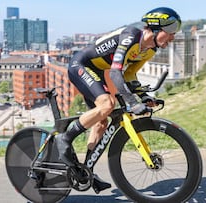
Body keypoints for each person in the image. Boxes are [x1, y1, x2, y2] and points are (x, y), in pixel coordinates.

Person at [56, 7, 181, 192]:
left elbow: (130, 74)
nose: (172, 38)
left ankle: (84, 170)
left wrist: (144, 97)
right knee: (108, 104)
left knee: (101, 123)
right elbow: (116, 73)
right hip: (80, 65)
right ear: (155, 29)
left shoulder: (149, 49)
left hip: (96, 70)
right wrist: (132, 102)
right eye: (170, 32)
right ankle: (64, 138)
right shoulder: (131, 36)